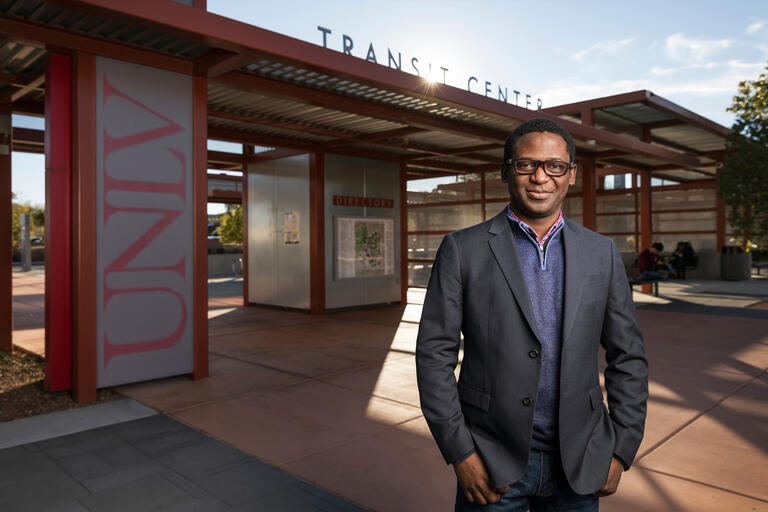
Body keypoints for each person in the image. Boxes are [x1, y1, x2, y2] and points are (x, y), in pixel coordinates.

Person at [415, 118, 648, 511]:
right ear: (507, 170)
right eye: (527, 165)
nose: (541, 177)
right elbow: (433, 356)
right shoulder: (462, 249)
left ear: (571, 174)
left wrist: (622, 449)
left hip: (579, 458)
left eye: (555, 166)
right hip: (489, 457)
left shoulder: (600, 253)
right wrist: (460, 453)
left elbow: (628, 356)